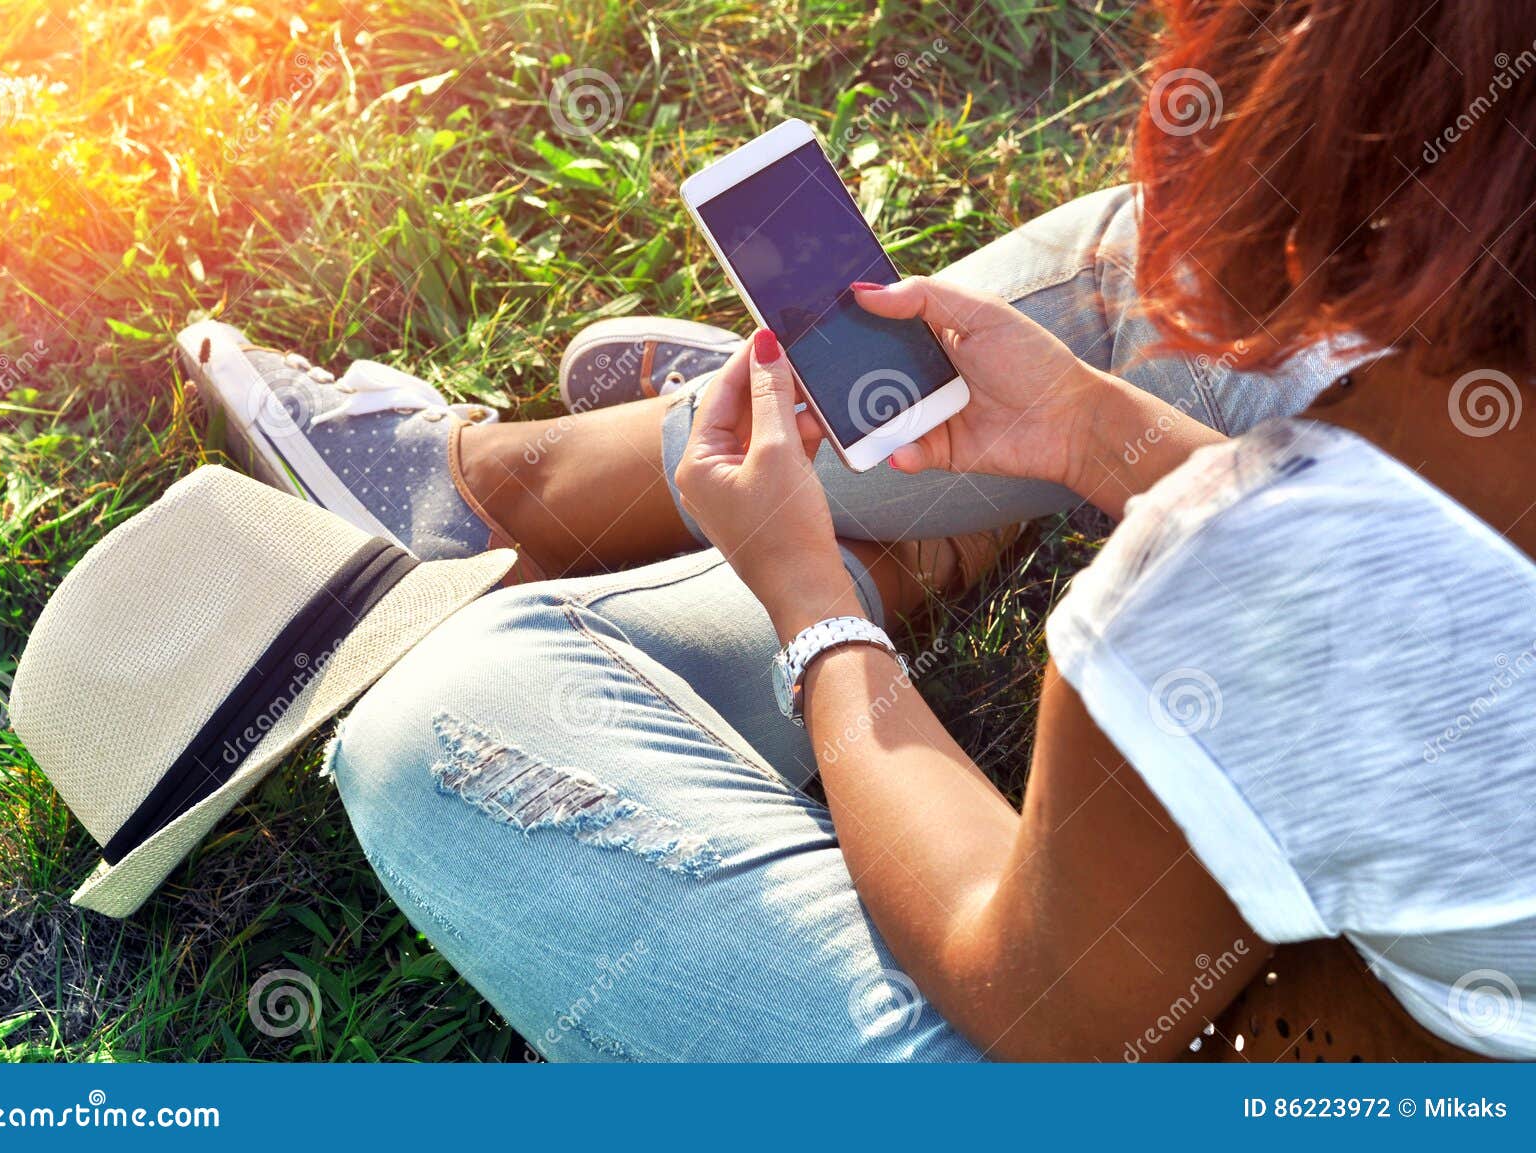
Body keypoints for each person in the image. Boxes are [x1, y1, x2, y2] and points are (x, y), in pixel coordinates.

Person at [203, 1, 1536, 1060]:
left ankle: (841, 555)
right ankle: (565, 495)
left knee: (443, 723)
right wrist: (1090, 432)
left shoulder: (1256, 580)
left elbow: (1033, 1001)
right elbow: (1433, 594)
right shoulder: (1350, 536)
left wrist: (816, 619)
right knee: (1161, 283)